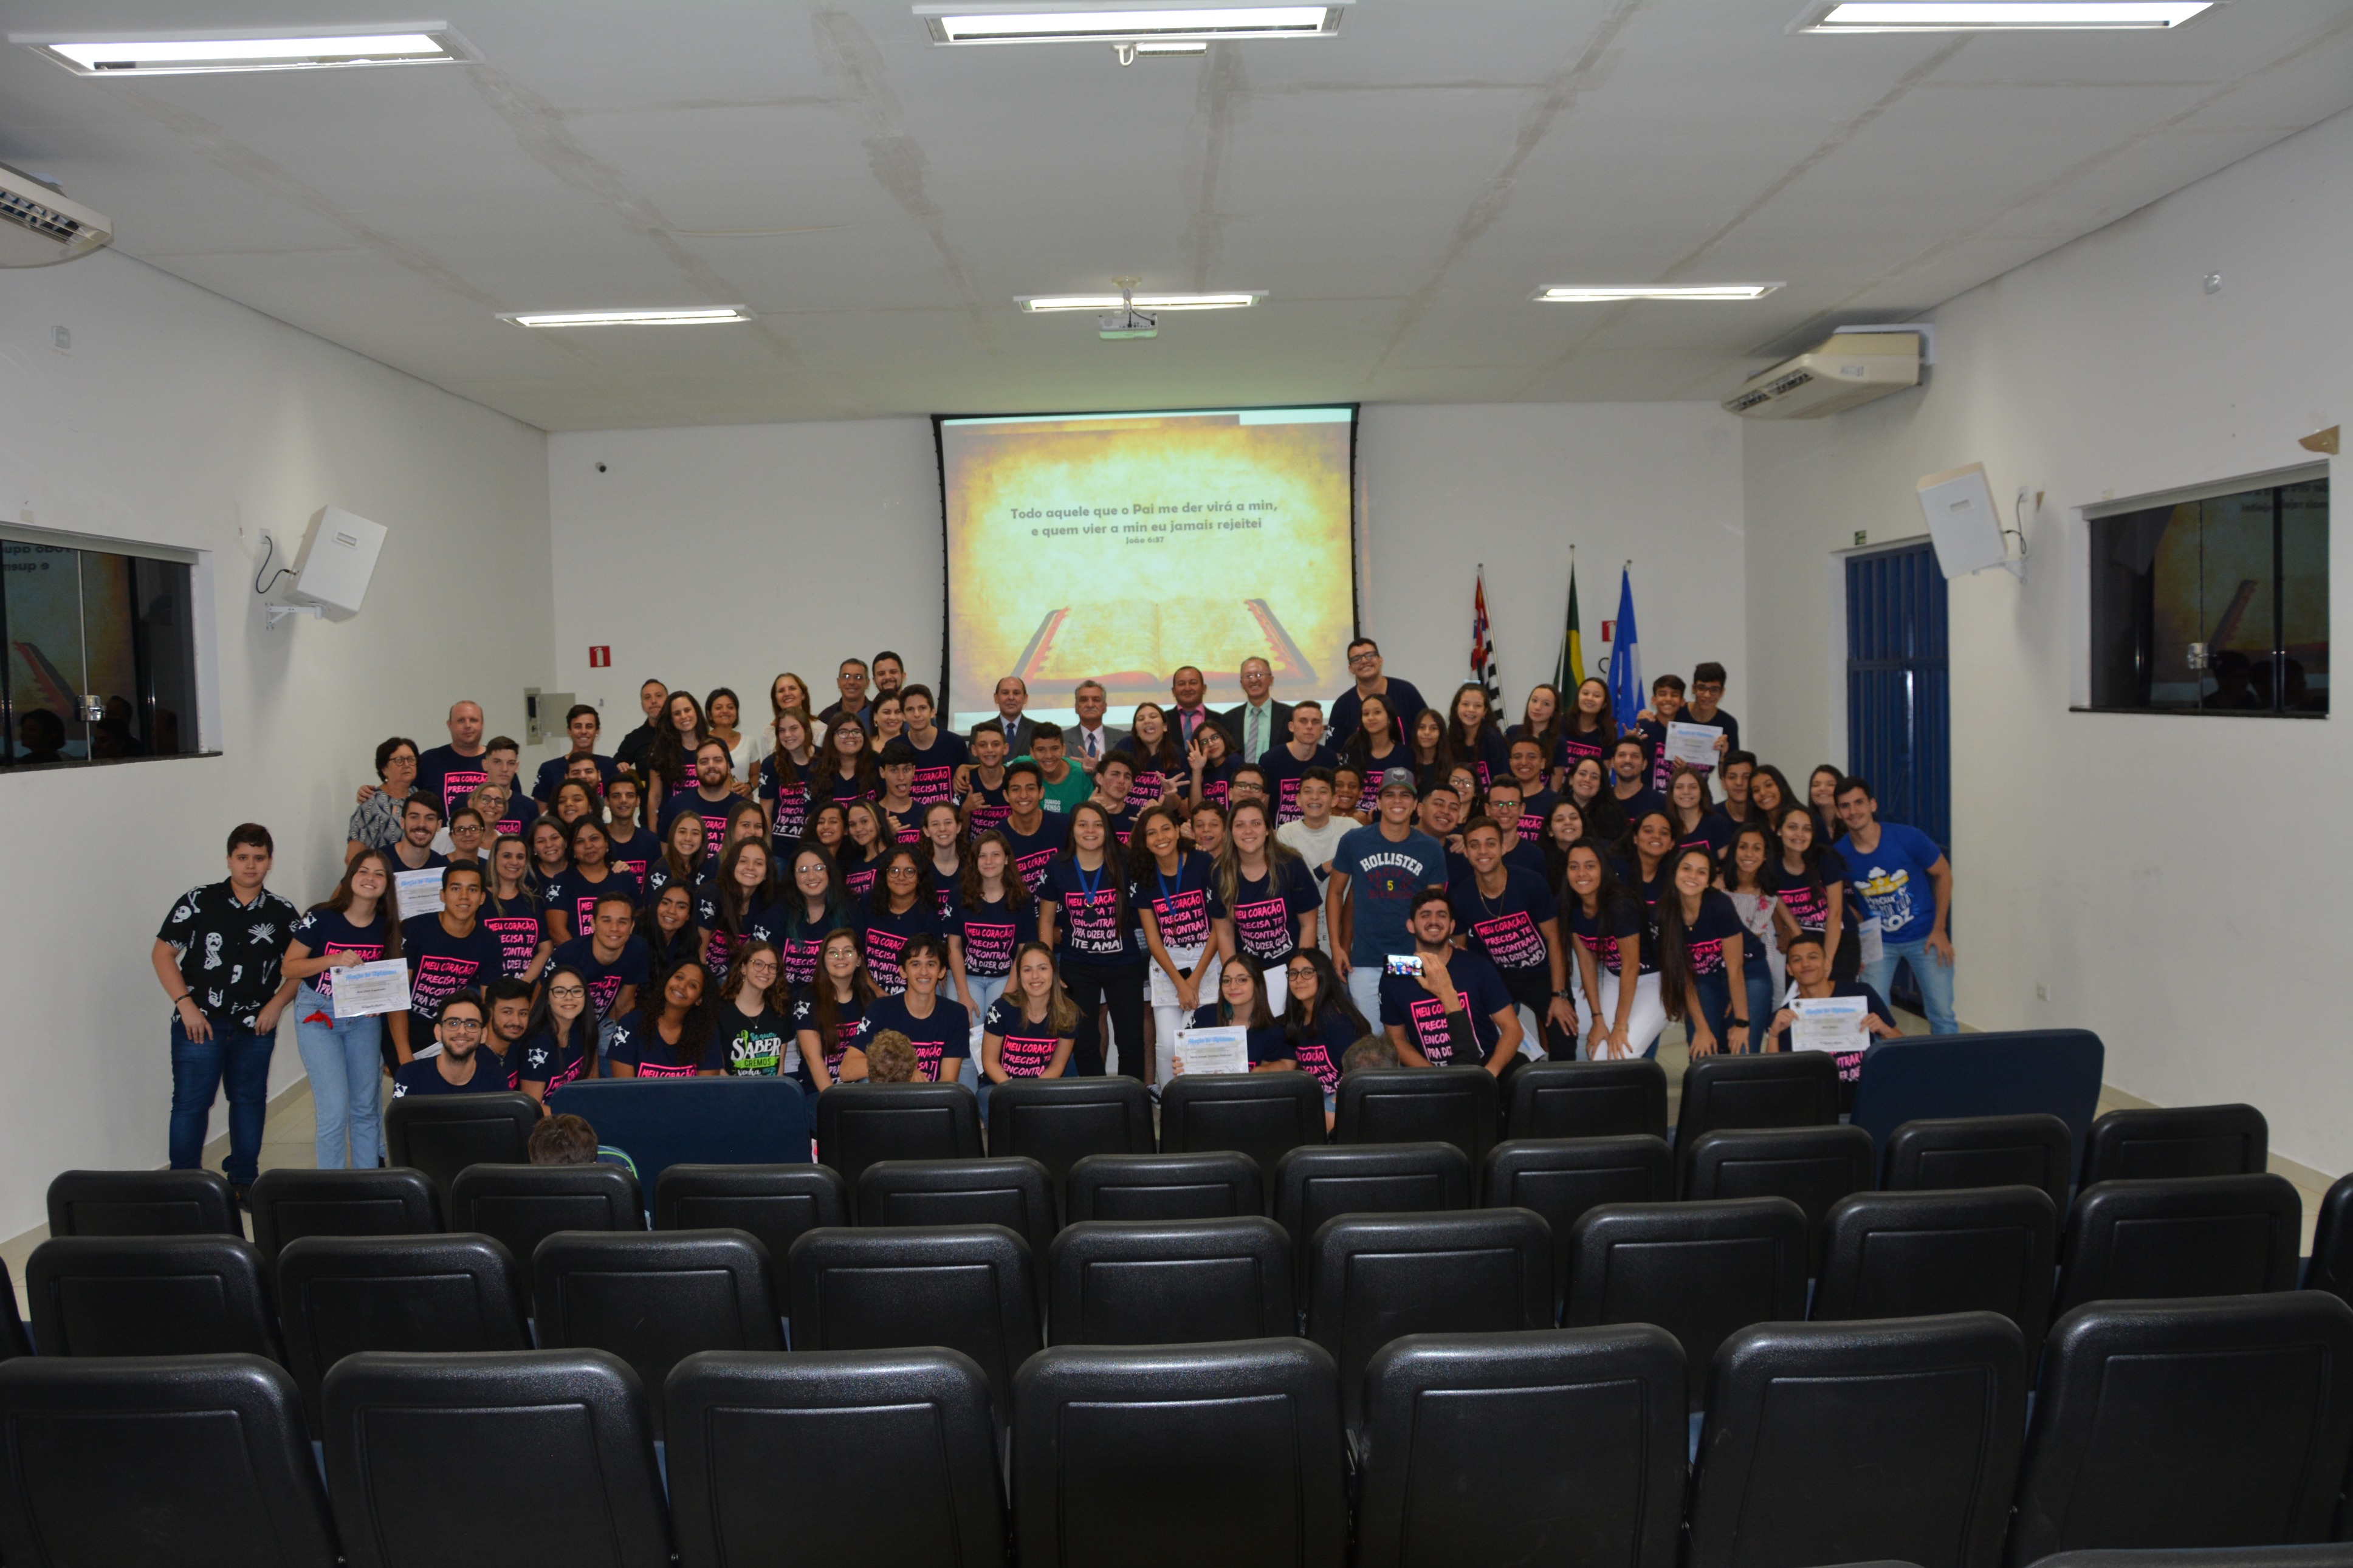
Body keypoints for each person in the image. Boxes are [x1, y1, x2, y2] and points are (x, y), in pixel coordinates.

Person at [282, 847, 397, 1171]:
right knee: (334, 1109)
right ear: (350, 877)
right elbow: (289, 967)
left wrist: (379, 1001)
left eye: (379, 874)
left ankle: (367, 1185)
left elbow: (390, 975)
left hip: (363, 1020)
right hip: (319, 1015)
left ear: (387, 884)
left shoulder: (388, 925)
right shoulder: (321, 917)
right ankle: (330, 1188)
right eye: (363, 871)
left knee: (366, 1107)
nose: (370, 879)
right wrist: (333, 959)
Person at [1834, 776, 1957, 1034]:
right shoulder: (1839, 854)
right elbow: (1833, 898)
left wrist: (1939, 929)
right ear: (1838, 812)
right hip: (1878, 943)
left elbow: (1943, 873)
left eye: (1859, 803)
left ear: (1873, 804)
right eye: (1845, 806)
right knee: (1871, 1014)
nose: (1853, 811)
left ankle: (1948, 1061)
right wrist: (1858, 922)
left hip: (1926, 936)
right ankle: (1884, 1060)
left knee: (1942, 1015)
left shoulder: (1908, 837)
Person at [1327, 769, 1449, 1020]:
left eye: (1405, 795)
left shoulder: (1430, 848)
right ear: (1379, 802)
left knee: (1409, 1031)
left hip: (1411, 956)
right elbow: (1335, 893)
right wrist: (1337, 947)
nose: (1397, 801)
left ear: (1415, 805)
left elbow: (1436, 910)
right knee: (1372, 1035)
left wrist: (1435, 955)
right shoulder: (1354, 841)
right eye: (1390, 795)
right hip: (1366, 959)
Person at [1449, 815, 1576, 1056]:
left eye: (1490, 843)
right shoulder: (1461, 897)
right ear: (1466, 851)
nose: (1483, 851)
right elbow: (1461, 953)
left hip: (1543, 974)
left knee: (1564, 1040)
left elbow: (1555, 940)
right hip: (1498, 979)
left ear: (1503, 847)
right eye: (1475, 845)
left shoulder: (1531, 883)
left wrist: (1560, 995)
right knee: (1485, 1041)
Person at [1038, 801, 1146, 1078]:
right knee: (1084, 1042)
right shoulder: (1057, 866)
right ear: (1072, 830)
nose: (1090, 831)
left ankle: (1130, 1097)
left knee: (1131, 1041)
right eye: (1083, 824)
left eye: (1098, 825)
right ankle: (1098, 1096)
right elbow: (1046, 921)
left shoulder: (1125, 860)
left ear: (1107, 830)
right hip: (1078, 965)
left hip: (1124, 964)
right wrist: (1048, 968)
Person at [1129, 801, 1234, 1087]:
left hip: (1206, 958)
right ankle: (1171, 1103)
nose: (1160, 837)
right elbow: (1153, 940)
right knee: (1167, 1044)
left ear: (1178, 831)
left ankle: (1204, 1100)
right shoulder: (1143, 874)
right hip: (1168, 963)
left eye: (1166, 829)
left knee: (1202, 1040)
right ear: (1144, 841)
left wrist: (1195, 980)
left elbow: (1218, 928)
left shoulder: (1203, 863)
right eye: (1152, 833)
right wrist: (1181, 984)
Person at [1379, 889, 1522, 1074]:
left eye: (1442, 915)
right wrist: (1438, 1078)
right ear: (1411, 926)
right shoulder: (1396, 972)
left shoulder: (1477, 966)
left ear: (1452, 926)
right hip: (1431, 1077)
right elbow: (1396, 1040)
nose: (1434, 921)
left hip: (1485, 1069)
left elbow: (1513, 1030)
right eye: (1425, 915)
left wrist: (1489, 1074)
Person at [391, 863, 502, 1066]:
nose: (464, 897)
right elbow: (396, 998)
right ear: (442, 895)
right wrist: (404, 1055)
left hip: (451, 1027)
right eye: (456, 888)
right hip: (407, 1025)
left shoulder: (489, 941)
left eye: (472, 890)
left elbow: (489, 1003)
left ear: (482, 898)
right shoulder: (415, 929)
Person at [1766, 932, 1902, 1096]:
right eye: (1797, 960)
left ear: (1827, 964)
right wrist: (1773, 1035)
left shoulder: (1861, 994)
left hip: (1865, 1092)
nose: (1806, 964)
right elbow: (1773, 1077)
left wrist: (1885, 1030)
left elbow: (1903, 1046)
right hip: (1815, 1096)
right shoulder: (1784, 1016)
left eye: (1813, 957)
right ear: (1789, 969)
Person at [1562, 839, 1661, 1061]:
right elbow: (1587, 963)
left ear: (1603, 869)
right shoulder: (1572, 908)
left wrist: (1620, 1025)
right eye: (1574, 867)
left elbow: (1631, 966)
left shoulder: (1621, 906)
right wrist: (1598, 1020)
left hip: (1653, 979)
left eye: (1590, 866)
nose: (1581, 873)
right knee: (1597, 1054)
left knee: (1621, 1054)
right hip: (1614, 977)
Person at [1219, 799, 1320, 1007]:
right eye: (1240, 825)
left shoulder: (1291, 864)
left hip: (1292, 965)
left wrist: (1299, 975)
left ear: (1267, 830)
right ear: (1230, 832)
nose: (1248, 831)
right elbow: (1225, 934)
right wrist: (1235, 981)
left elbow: (1308, 925)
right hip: (1249, 974)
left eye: (1256, 823)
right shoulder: (1219, 873)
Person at [1655, 845, 1750, 1058]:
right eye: (1686, 869)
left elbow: (1736, 968)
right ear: (1675, 872)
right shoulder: (1664, 913)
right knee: (1702, 1049)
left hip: (1746, 972)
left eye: (1701, 872)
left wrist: (1741, 1022)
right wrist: (1703, 1029)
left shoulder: (1720, 905)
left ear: (1709, 881)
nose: (1692, 876)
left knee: (1742, 1048)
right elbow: (1683, 975)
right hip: (1702, 979)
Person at [949, 831, 1037, 1054]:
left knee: (999, 1028)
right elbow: (954, 948)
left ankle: (993, 1077)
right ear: (975, 861)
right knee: (967, 1032)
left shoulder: (1022, 898)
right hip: (967, 977)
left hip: (1005, 977)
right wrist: (963, 995)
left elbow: (1023, 952)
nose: (989, 861)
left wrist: (1007, 997)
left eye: (995, 855)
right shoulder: (959, 895)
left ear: (1006, 859)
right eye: (983, 856)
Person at [856, 934, 970, 1084]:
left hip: (931, 1096)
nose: (924, 972)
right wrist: (903, 1070)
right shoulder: (880, 1009)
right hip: (888, 1095)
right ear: (903, 972)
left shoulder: (956, 1014)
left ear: (942, 971)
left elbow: (948, 1081)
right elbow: (847, 1069)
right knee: (866, 1081)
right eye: (915, 964)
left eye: (931, 964)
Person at [1767, 805, 1858, 984]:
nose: (1799, 834)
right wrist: (1806, 954)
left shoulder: (1826, 860)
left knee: (1834, 995)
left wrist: (1826, 962)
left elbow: (1836, 914)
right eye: (1792, 827)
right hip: (1803, 941)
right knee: (1800, 996)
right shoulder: (1772, 868)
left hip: (1839, 940)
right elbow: (1788, 919)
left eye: (1806, 829)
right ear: (1779, 831)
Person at [1281, 949, 1366, 1121]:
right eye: (1293, 973)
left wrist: (1334, 1102)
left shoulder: (1337, 1019)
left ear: (1323, 975)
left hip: (1348, 1095)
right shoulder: (1295, 1019)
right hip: (1318, 1095)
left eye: (1307, 973)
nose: (1299, 980)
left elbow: (1361, 1073)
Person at [753, 844, 853, 991]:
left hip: (830, 995)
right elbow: (759, 967)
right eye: (803, 870)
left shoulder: (847, 910)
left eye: (819, 868)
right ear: (794, 877)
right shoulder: (775, 913)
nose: (811, 876)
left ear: (830, 872)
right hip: (779, 995)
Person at [550, 890, 648, 1030]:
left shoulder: (638, 949)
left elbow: (624, 1004)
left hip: (600, 1026)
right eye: (606, 921)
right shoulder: (567, 955)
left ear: (632, 926)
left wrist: (625, 1040)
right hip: (562, 1026)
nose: (614, 928)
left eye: (622, 922)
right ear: (593, 924)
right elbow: (540, 1004)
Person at [981, 941, 1078, 1083]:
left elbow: (1057, 1066)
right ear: (1019, 976)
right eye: (1027, 970)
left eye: (1042, 968)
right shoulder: (999, 1009)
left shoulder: (1068, 1013)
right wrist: (1013, 1091)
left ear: (1054, 973)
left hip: (1041, 1088)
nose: (1035, 976)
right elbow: (990, 1062)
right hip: (999, 1086)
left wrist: (1033, 1092)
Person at [792, 929, 876, 1090]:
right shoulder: (807, 998)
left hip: (860, 1089)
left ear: (859, 960)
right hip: (819, 1093)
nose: (840, 957)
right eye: (833, 953)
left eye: (848, 952)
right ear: (823, 961)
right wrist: (833, 1101)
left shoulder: (867, 997)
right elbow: (812, 1058)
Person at [1720, 822, 1782, 1038]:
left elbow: (1750, 941)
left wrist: (1734, 989)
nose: (1749, 854)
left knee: (1746, 1039)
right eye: (1743, 847)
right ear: (1734, 850)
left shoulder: (1768, 894)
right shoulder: (1715, 885)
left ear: (1765, 856)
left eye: (1757, 848)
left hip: (1749, 962)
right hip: (1714, 962)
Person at [608, 961, 720, 1078]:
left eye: (693, 985)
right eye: (679, 977)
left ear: (699, 1000)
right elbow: (624, 1087)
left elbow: (706, 1087)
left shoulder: (707, 1032)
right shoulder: (630, 1024)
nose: (682, 986)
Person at [1181, 960, 1291, 1075]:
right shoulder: (1203, 1016)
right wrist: (1181, 1067)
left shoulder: (1273, 1031)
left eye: (1242, 980)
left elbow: (1266, 1081)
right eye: (1227, 981)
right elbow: (1186, 1067)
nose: (1233, 986)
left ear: (1258, 983)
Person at [857, 846, 943, 991]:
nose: (901, 877)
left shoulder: (929, 917)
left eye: (909, 871)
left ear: (919, 876)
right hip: (867, 990)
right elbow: (857, 951)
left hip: (911, 995)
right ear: (885, 874)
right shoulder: (869, 902)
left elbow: (927, 969)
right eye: (894, 871)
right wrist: (874, 989)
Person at [391, 991, 506, 1097]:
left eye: (471, 1025)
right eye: (453, 1024)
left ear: (484, 1035)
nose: (462, 1031)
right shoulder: (410, 1075)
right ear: (438, 1032)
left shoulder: (495, 1078)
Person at [543, 817, 639, 943]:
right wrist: (582, 955)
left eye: (594, 839)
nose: (588, 846)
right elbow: (556, 931)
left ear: (606, 842)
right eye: (580, 841)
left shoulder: (624, 877)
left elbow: (637, 921)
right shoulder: (561, 882)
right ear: (572, 849)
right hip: (575, 955)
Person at [711, 942, 794, 1077]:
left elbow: (779, 1068)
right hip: (729, 1088)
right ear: (743, 968)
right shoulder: (718, 1010)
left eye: (772, 967)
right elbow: (717, 1069)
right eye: (758, 964)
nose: (766, 972)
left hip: (770, 1089)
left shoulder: (780, 1009)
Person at [661, 738, 749, 861]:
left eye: (718, 760)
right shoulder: (676, 805)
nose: (711, 766)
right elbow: (666, 853)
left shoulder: (745, 809)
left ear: (728, 767)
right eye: (704, 762)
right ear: (695, 769)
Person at [697, 837, 775, 977]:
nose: (750, 867)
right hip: (696, 972)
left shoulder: (762, 903)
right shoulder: (710, 896)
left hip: (727, 976)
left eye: (759, 863)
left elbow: (744, 957)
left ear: (766, 874)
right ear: (732, 865)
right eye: (743, 861)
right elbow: (699, 955)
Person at [1328, 638, 1426, 748]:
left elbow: (1429, 732)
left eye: (1370, 655)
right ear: (1351, 669)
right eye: (1356, 659)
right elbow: (1335, 751)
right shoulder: (1342, 706)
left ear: (1380, 661)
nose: (1364, 661)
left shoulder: (1406, 692)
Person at [519, 965, 597, 1102]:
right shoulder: (539, 1043)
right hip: (549, 1115)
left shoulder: (583, 1030)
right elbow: (532, 1107)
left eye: (576, 991)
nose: (569, 998)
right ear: (547, 999)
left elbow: (592, 1088)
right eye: (560, 992)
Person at [1260, 702, 1339, 824]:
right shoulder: (1271, 759)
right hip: (1279, 833)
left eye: (1315, 722)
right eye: (1303, 721)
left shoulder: (1330, 759)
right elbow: (1263, 804)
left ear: (1322, 729)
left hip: (1318, 831)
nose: (1309, 726)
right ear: (1291, 727)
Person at [413, 700, 490, 820]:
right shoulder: (429, 761)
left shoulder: (499, 762)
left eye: (473, 720)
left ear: (482, 724)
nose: (468, 725)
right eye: (461, 720)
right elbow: (406, 799)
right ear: (449, 725)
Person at [348, 737, 419, 858]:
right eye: (399, 760)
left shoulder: (419, 797)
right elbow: (353, 857)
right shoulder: (371, 804)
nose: (407, 765)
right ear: (384, 768)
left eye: (411, 759)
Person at [533, 705, 618, 806]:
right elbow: (542, 812)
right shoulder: (549, 769)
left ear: (597, 731)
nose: (584, 732)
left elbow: (616, 802)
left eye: (589, 726)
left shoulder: (608, 765)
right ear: (569, 731)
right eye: (578, 726)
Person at [898, 685, 967, 806]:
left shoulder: (956, 743)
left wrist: (966, 767)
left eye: (922, 708)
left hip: (951, 816)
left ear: (932, 712)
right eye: (910, 709)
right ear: (903, 716)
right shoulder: (895, 747)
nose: (917, 714)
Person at [998, 761, 1062, 891]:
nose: (1023, 795)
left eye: (1031, 788)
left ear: (1041, 792)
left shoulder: (1065, 826)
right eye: (1016, 789)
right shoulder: (996, 839)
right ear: (1006, 795)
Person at [1336, 694, 1404, 814]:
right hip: (1352, 817)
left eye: (1377, 712)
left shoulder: (1404, 755)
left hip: (1388, 819)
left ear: (1390, 718)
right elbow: (1340, 790)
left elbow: (1404, 798)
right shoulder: (1352, 748)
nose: (1371, 718)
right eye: (1366, 714)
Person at [759, 714, 817, 851]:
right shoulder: (770, 764)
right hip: (780, 848)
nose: (787, 735)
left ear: (806, 729)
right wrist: (767, 847)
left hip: (815, 846)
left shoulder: (824, 759)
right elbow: (766, 811)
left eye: (794, 728)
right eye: (782, 730)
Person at [644, 690, 713, 804]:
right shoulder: (661, 751)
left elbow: (725, 789)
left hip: (708, 814)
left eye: (687, 710)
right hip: (673, 815)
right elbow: (655, 796)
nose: (684, 716)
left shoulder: (716, 747)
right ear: (671, 720)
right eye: (677, 713)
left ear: (696, 711)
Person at [1221, 656, 1292, 764]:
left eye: (1259, 675)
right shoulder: (1228, 719)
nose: (1254, 680)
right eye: (1248, 676)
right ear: (1241, 683)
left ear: (1271, 680)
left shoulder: (1289, 715)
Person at [1113, 704, 1183, 807]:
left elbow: (1174, 806)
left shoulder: (1177, 755)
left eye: (1153, 717)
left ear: (1165, 727)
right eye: (1141, 719)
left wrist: (1169, 794)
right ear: (1136, 731)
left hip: (1159, 815)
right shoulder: (1125, 746)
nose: (1147, 721)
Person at [1444, 683, 1510, 792]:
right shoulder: (1450, 740)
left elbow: (1503, 781)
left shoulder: (1492, 738)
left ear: (1485, 711)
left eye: (1478, 706)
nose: (1471, 710)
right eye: (1465, 704)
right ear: (1456, 708)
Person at [1664, 762, 1731, 861]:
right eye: (1680, 787)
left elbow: (1726, 865)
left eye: (1693, 787)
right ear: (1671, 793)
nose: (1686, 792)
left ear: (1702, 792)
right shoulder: (1666, 827)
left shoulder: (1718, 824)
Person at [1558, 676, 1619, 781]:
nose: (1590, 698)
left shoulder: (1608, 733)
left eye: (1596, 696)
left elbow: (1603, 776)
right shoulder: (1560, 724)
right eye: (1585, 693)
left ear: (1604, 704)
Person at [813, 713, 880, 807]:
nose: (851, 736)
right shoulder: (818, 769)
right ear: (832, 737)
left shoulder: (877, 762)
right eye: (843, 732)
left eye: (856, 731)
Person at [960, 722, 1012, 839]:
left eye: (996, 744)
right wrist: (965, 810)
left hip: (1011, 849)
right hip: (976, 850)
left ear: (1005, 748)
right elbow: (959, 835)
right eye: (983, 745)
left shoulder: (1015, 780)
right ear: (974, 750)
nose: (989, 750)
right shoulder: (965, 782)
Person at [643, 807, 707, 903]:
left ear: (702, 840)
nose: (688, 838)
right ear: (672, 835)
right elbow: (652, 909)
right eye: (682, 832)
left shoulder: (703, 870)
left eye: (695, 833)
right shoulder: (661, 872)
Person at [480, 977, 532, 1088]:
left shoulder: (520, 1048)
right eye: (507, 1012)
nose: (516, 1022)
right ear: (489, 1012)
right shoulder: (473, 1057)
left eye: (523, 1013)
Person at [603, 773, 657, 880]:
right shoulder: (597, 841)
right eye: (616, 796)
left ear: (638, 801)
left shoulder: (651, 841)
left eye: (630, 795)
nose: (623, 800)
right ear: (607, 801)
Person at [837, 799, 891, 903]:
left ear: (880, 822)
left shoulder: (895, 858)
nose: (858, 829)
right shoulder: (850, 862)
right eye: (853, 824)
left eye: (864, 822)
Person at [1068, 679, 1125, 773]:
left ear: (1105, 707)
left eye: (1096, 700)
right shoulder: (1062, 740)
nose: (1090, 705)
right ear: (1076, 708)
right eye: (1084, 700)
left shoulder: (1123, 739)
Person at [1562, 756, 1623, 845]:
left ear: (1600, 786)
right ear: (1571, 779)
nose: (1587, 780)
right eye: (1582, 774)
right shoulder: (1556, 808)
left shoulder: (1611, 817)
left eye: (1594, 777)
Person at [614, 679, 668, 773]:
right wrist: (620, 766)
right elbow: (614, 767)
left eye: (659, 696)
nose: (653, 701)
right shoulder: (634, 739)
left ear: (668, 701)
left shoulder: (682, 731)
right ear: (642, 705)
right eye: (647, 697)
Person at [706, 687, 760, 783]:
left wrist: (748, 787)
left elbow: (757, 775)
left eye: (730, 707)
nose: (725, 711)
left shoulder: (749, 741)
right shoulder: (701, 741)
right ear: (710, 714)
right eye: (719, 708)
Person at [1606, 736, 1664, 825]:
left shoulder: (1659, 803)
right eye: (1622, 755)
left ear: (1644, 764)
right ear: (1613, 762)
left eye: (1635, 756)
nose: (1628, 760)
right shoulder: (1602, 799)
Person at [1686, 662, 1741, 753]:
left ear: (1722, 692)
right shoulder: (1677, 713)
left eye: (1714, 690)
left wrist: (1723, 756)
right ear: (1693, 689)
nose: (1707, 695)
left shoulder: (1729, 724)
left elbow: (1734, 761)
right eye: (1702, 688)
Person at [1088, 753, 1141, 845]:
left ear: (1131, 786)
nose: (1122, 781)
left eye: (1127, 777)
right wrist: (1089, 813)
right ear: (1100, 778)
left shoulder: (1138, 815)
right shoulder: (1081, 812)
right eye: (1115, 774)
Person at [1539, 799, 1589, 891]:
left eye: (1574, 818)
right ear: (1550, 831)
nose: (1568, 822)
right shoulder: (1541, 861)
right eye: (1560, 820)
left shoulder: (1600, 852)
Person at [390, 796, 447, 873]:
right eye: (414, 817)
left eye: (429, 818)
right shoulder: (380, 863)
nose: (421, 824)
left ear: (439, 825)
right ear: (402, 822)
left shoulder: (444, 869)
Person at [819, 656, 874, 733]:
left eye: (858, 677)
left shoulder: (877, 713)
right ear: (839, 682)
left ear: (867, 683)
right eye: (846, 677)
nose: (852, 682)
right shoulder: (826, 717)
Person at [1406, 707, 1455, 792]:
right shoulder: (1406, 762)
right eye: (1422, 727)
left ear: (1441, 733)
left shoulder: (1451, 765)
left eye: (1433, 728)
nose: (1427, 732)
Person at [992, 676, 1039, 759]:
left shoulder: (1038, 731)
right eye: (1005, 693)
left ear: (1025, 698)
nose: (1011, 697)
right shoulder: (981, 732)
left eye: (1016, 693)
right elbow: (975, 764)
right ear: (996, 698)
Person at [1167, 665, 1214, 748]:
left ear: (1204, 689)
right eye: (1181, 684)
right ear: (1173, 691)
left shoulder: (1221, 720)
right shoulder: (1163, 721)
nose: (1187, 688)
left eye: (1193, 683)